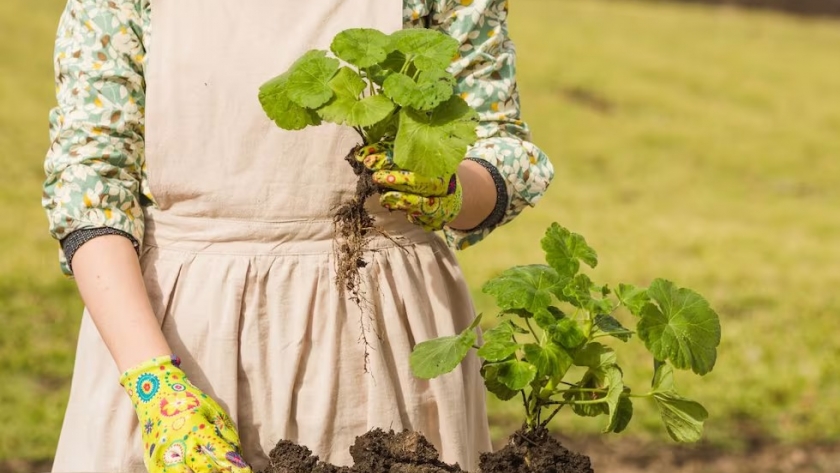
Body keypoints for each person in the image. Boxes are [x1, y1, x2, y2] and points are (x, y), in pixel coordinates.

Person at [42, 1, 554, 472]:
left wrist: (448, 188)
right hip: (174, 336)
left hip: (385, 337)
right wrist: (155, 388)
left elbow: (501, 144)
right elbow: (91, 183)